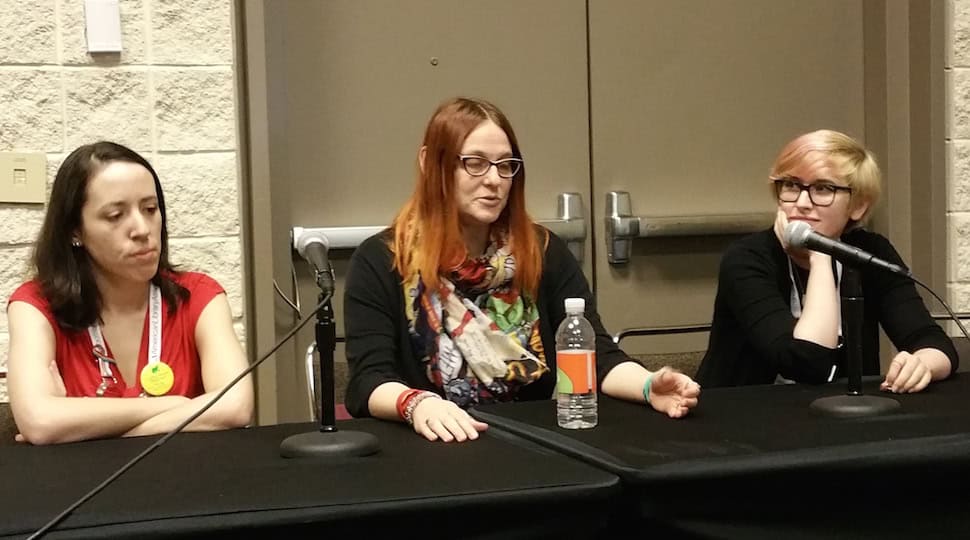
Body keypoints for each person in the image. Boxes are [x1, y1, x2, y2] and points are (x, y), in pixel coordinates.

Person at [343, 97, 700, 442]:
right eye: (475, 163)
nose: (494, 180)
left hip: (535, 441)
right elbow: (369, 381)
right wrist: (415, 403)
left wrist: (648, 385)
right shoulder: (383, 260)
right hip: (435, 445)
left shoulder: (542, 250)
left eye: (505, 165)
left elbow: (597, 356)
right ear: (430, 163)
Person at [6, 141, 253, 445]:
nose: (142, 229)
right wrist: (174, 406)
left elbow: (236, 406)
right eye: (115, 215)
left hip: (188, 483)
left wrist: (95, 428)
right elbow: (40, 420)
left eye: (150, 209)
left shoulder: (199, 296)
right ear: (74, 231)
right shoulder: (35, 305)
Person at [695, 129, 958, 391]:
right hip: (742, 418)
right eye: (791, 185)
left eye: (823, 189)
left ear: (858, 206)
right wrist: (820, 255)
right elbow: (808, 363)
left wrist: (922, 363)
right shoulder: (747, 258)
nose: (802, 202)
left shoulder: (869, 251)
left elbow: (935, 343)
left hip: (842, 419)